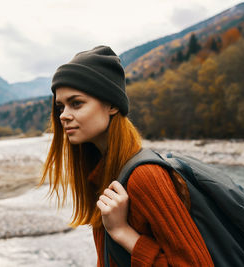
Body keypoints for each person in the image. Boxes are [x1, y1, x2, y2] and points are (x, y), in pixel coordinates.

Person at [40, 45, 214, 266]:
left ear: (112, 105)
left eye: (76, 103)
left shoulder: (145, 177)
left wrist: (123, 233)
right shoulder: (102, 173)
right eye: (60, 107)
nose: (64, 115)